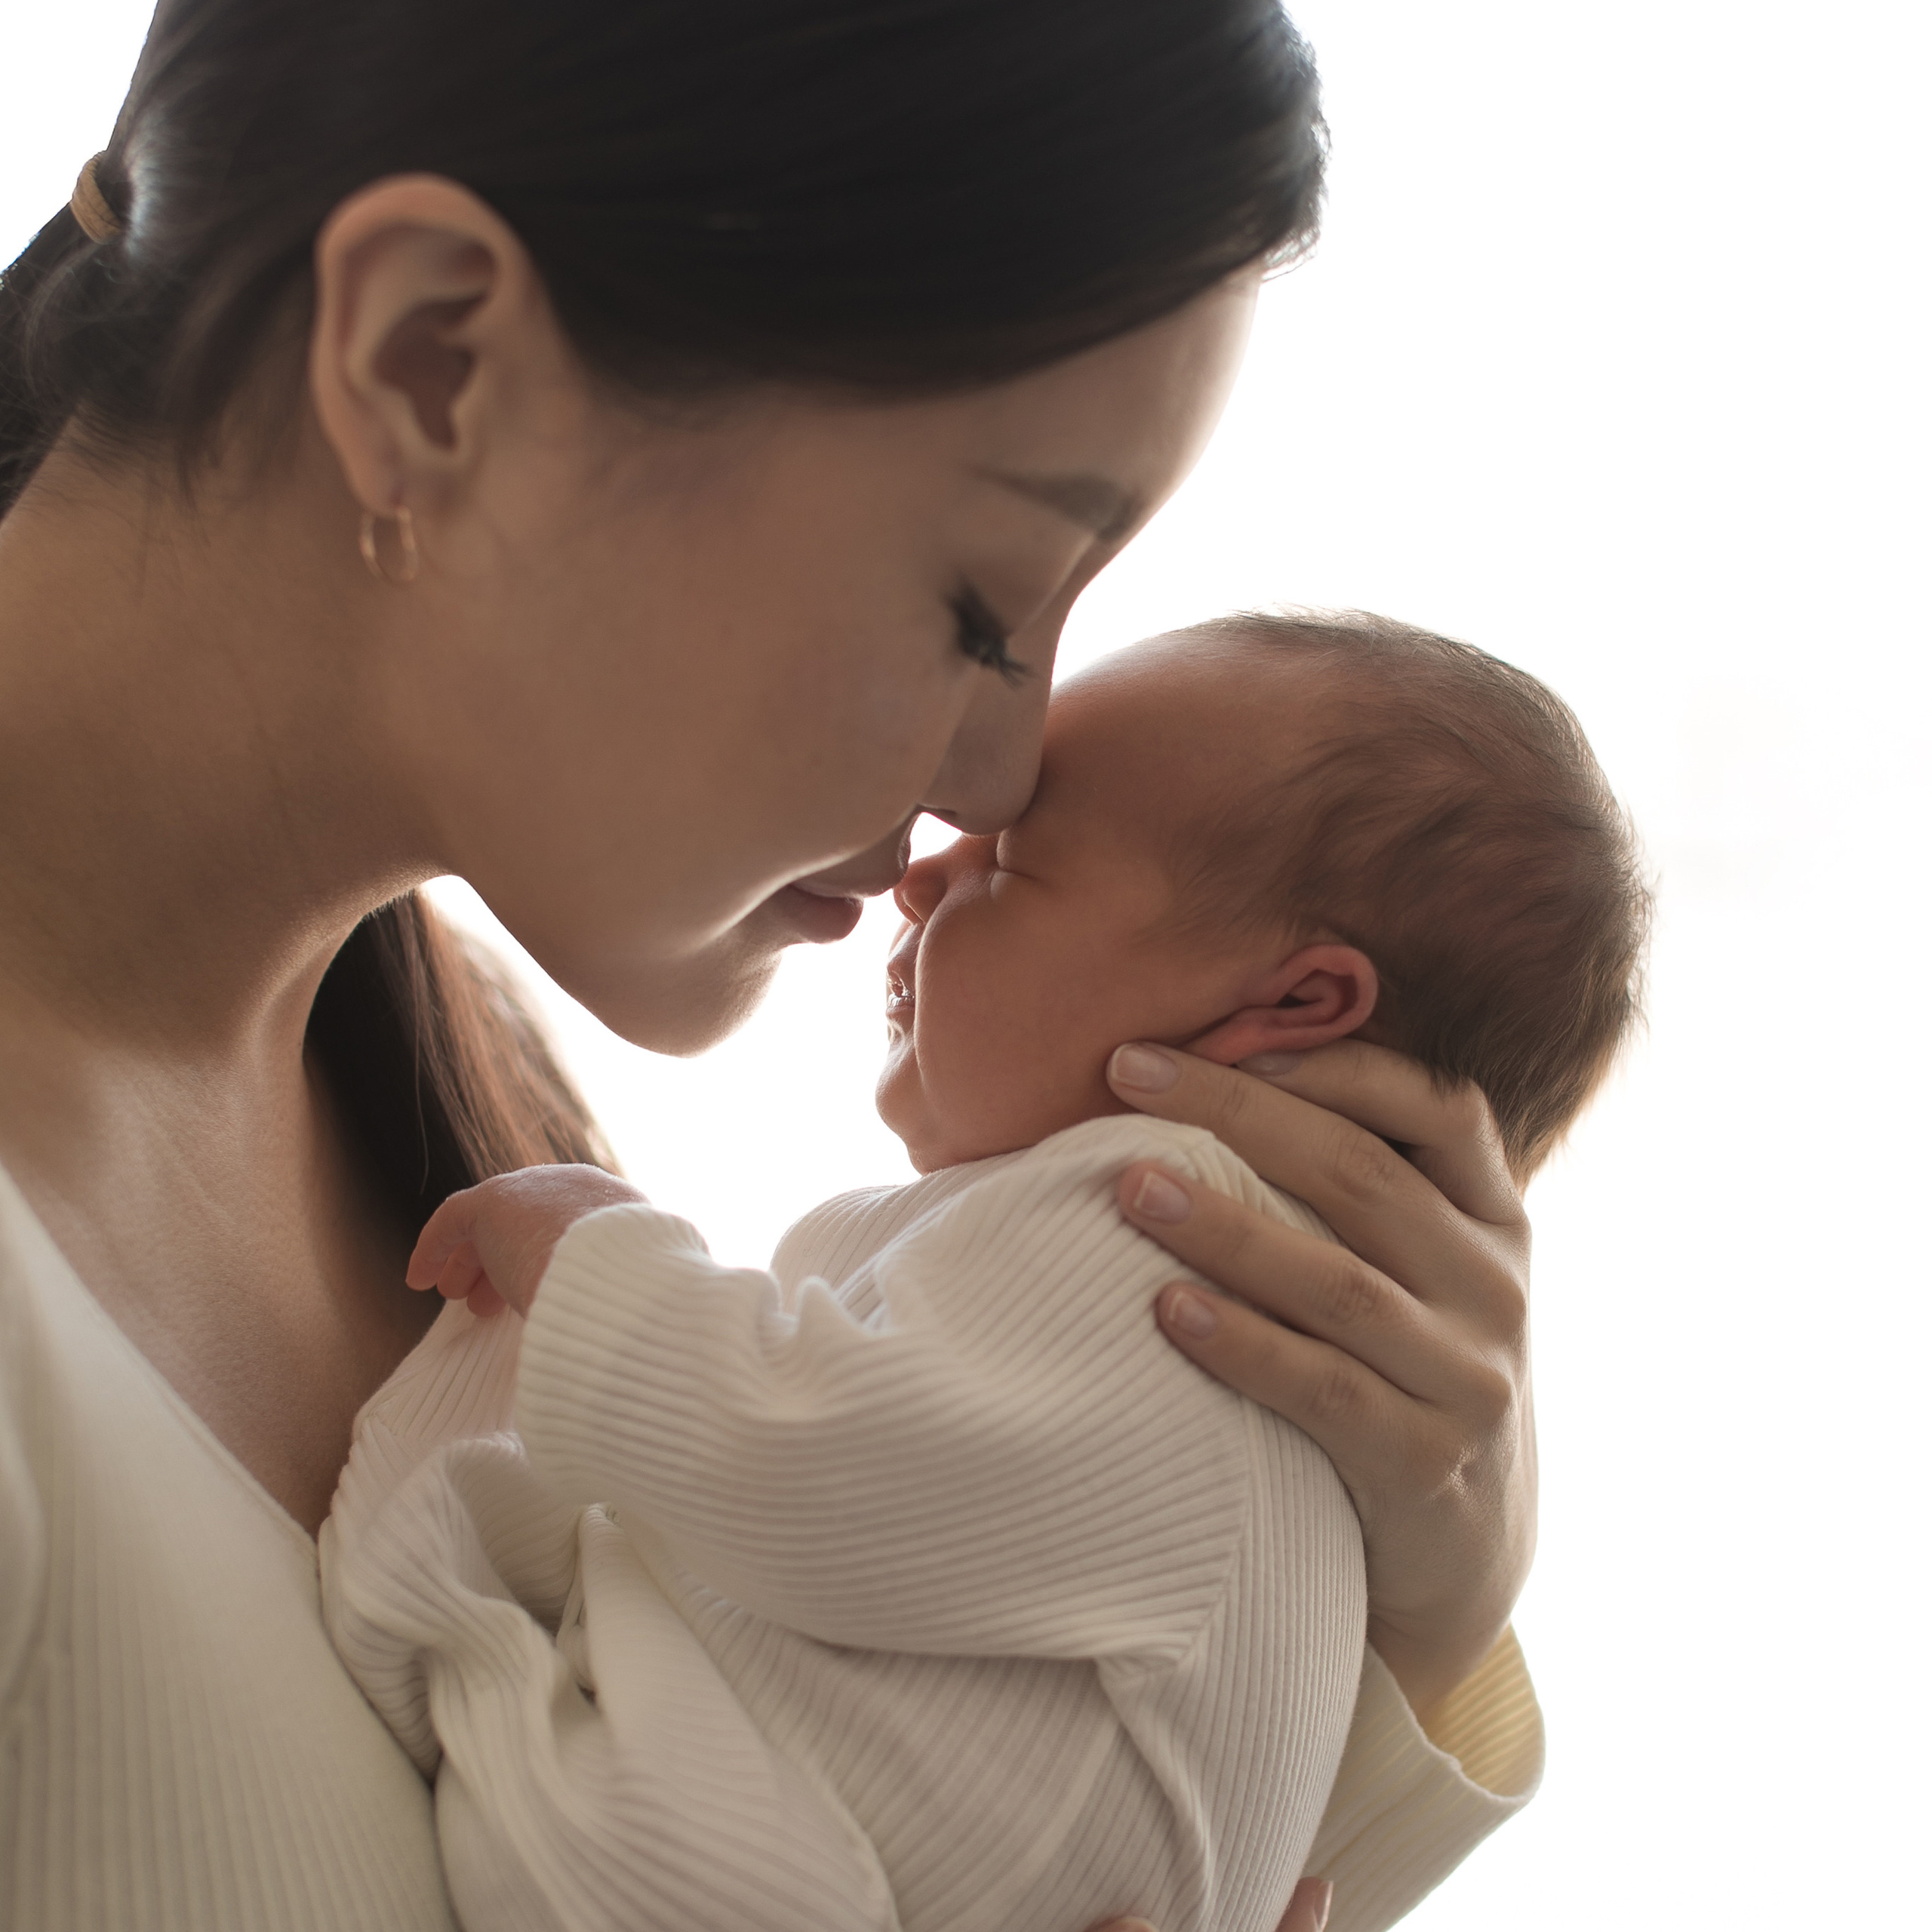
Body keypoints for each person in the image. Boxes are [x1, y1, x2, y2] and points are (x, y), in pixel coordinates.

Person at [0, 4, 1541, 1929]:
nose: (1001, 777)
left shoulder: (470, 1114)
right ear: (432, 360)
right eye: (984, 604)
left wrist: (1401, 1599)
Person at [323, 612, 1638, 1932]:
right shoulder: (1229, 1318)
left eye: (1015, 859)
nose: (923, 869)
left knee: (455, 1566)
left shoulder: (1152, 1227)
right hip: (797, 1860)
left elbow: (822, 1464)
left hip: (734, 1873)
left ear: (1294, 1010)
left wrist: (596, 1267)